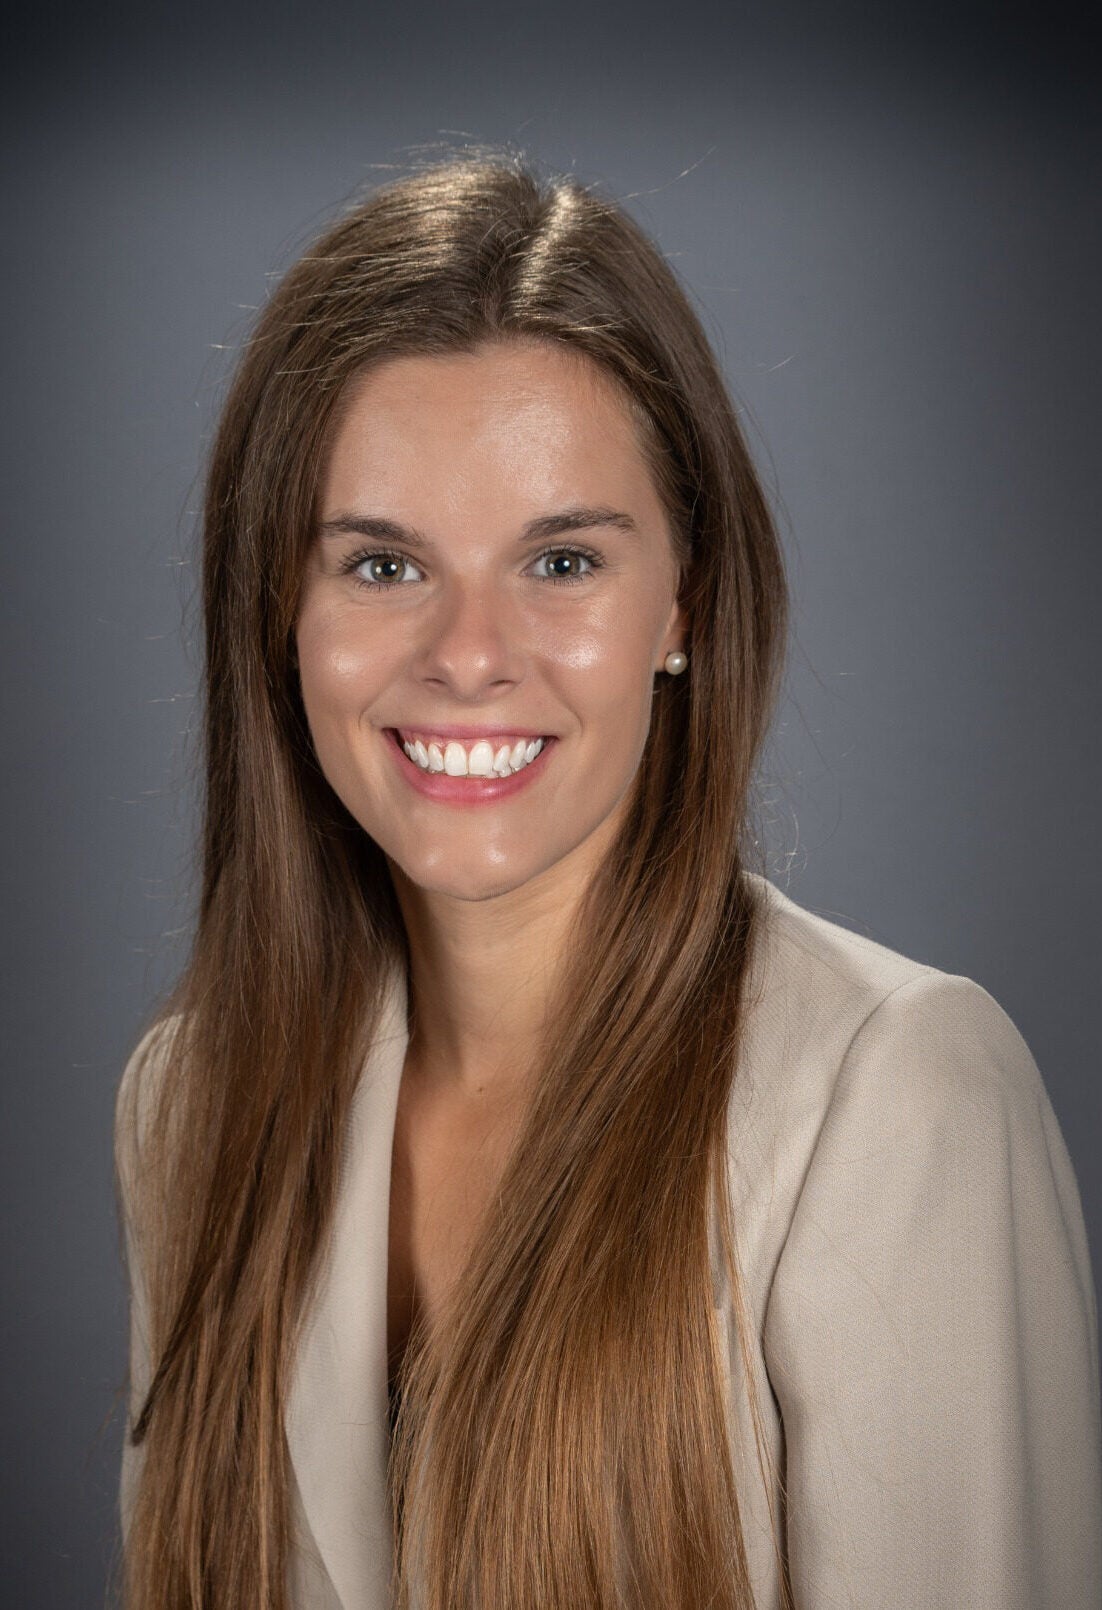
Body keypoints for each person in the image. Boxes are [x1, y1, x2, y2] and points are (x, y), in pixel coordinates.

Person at [113, 151, 1102, 1610]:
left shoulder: (892, 1097)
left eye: (561, 560)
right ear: (279, 608)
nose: (465, 654)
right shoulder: (190, 1102)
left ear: (682, 603)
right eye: (382, 567)